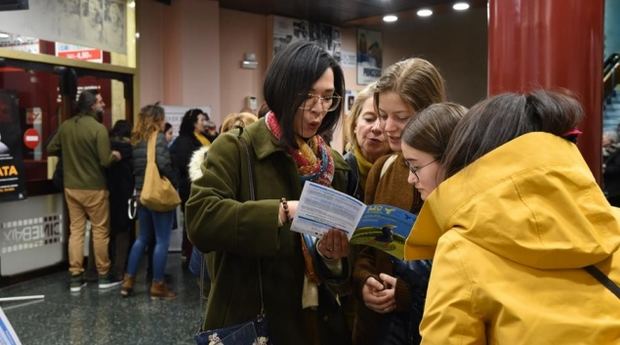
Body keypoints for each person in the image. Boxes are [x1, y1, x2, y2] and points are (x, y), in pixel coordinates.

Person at [405, 90, 620, 344]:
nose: (410, 178)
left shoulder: (461, 249)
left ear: (472, 159)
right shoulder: (613, 223)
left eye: (414, 167)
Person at [185, 41, 351, 344]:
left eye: (328, 98)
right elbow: (201, 220)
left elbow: (335, 271)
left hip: (316, 324)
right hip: (253, 323)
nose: (318, 109)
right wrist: (283, 211)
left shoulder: (332, 165)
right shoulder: (237, 149)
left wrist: (332, 257)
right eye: (308, 96)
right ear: (283, 91)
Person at [352, 58, 445, 345]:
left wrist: (406, 292)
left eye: (402, 117)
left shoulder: (452, 175)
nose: (387, 127)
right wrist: (364, 280)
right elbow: (365, 247)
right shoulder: (383, 168)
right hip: (374, 328)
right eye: (382, 115)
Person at [47, 90, 122, 292]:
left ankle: (75, 277)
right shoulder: (98, 129)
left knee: (76, 232)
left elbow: (50, 148)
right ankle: (104, 276)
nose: (103, 103)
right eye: (100, 101)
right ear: (91, 106)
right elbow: (105, 160)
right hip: (94, 187)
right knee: (99, 232)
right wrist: (115, 155)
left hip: (71, 187)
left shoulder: (66, 126)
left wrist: (70, 151)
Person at [121, 103, 178, 300]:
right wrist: (174, 181)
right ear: (157, 119)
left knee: (142, 238)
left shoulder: (136, 139)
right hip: (157, 193)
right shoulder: (158, 138)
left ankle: (128, 282)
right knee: (162, 240)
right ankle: (157, 285)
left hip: (141, 193)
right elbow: (163, 165)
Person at [170, 108, 210, 264]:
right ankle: (189, 254)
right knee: (191, 222)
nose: (204, 123)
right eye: (201, 120)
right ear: (193, 123)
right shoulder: (184, 141)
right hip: (191, 187)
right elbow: (185, 164)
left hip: (205, 185)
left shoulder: (205, 137)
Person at [344, 83, 390, 201]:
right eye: (369, 119)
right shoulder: (340, 170)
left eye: (384, 119)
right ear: (355, 124)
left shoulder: (405, 173)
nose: (376, 128)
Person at [106, 120, 135, 279]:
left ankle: (103, 267)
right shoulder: (131, 151)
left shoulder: (106, 149)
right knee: (123, 233)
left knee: (107, 232)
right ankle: (119, 270)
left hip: (107, 194)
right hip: (125, 195)